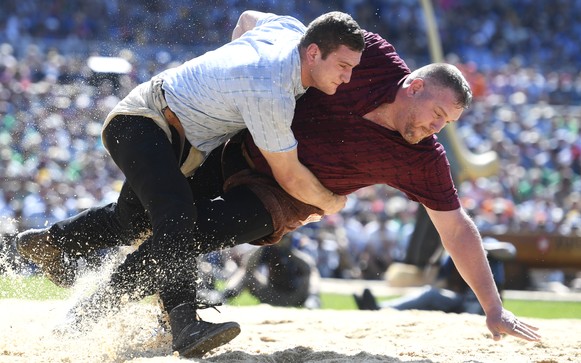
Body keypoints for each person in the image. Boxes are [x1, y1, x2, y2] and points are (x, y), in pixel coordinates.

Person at [17, 28, 541, 354]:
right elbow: (261, 24)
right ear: (415, 86)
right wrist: (234, 62)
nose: (436, 128)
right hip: (243, 147)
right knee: (143, 218)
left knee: (188, 231)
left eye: (446, 123)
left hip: (282, 199)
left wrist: (492, 308)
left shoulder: (422, 158)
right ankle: (57, 241)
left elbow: (456, 227)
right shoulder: (369, 58)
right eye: (438, 114)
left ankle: (96, 308)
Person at [14, 10, 365, 358]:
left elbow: (246, 18)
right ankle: (184, 324)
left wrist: (230, 71)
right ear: (314, 53)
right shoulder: (269, 88)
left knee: (132, 222)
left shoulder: (290, 28)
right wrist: (330, 203)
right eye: (343, 67)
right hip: (142, 121)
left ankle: (53, 242)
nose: (347, 79)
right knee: (176, 214)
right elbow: (288, 175)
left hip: (170, 135)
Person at [353, 239, 516, 314]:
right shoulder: (455, 253)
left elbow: (509, 251)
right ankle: (380, 308)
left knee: (471, 311)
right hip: (462, 301)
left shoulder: (488, 246)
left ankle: (378, 309)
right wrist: (442, 250)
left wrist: (473, 245)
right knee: (430, 294)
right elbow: (435, 280)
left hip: (487, 305)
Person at [216, 234, 321, 309]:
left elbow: (309, 267)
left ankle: (313, 299)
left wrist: (292, 254)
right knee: (244, 274)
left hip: (294, 296)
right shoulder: (267, 250)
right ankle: (223, 296)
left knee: (312, 273)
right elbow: (247, 266)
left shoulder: (297, 249)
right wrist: (264, 244)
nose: (281, 240)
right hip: (272, 294)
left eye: (284, 237)